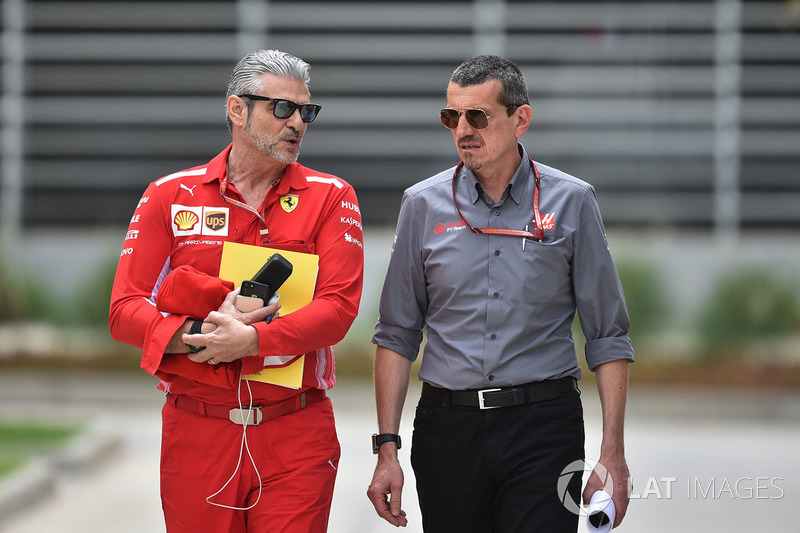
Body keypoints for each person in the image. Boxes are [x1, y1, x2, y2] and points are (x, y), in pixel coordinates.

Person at [366, 55, 634, 532]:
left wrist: (612, 451)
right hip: (447, 428)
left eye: (478, 116)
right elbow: (396, 334)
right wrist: (388, 449)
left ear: (520, 119)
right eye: (452, 116)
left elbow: (607, 334)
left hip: (544, 428)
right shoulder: (421, 205)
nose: (463, 129)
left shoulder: (571, 201)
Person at [109, 50, 364, 533]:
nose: (298, 124)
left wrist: (252, 342)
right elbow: (124, 310)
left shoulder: (332, 195)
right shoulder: (170, 194)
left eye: (306, 111)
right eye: (282, 108)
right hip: (196, 428)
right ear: (236, 109)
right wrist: (197, 335)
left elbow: (338, 309)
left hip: (296, 429)